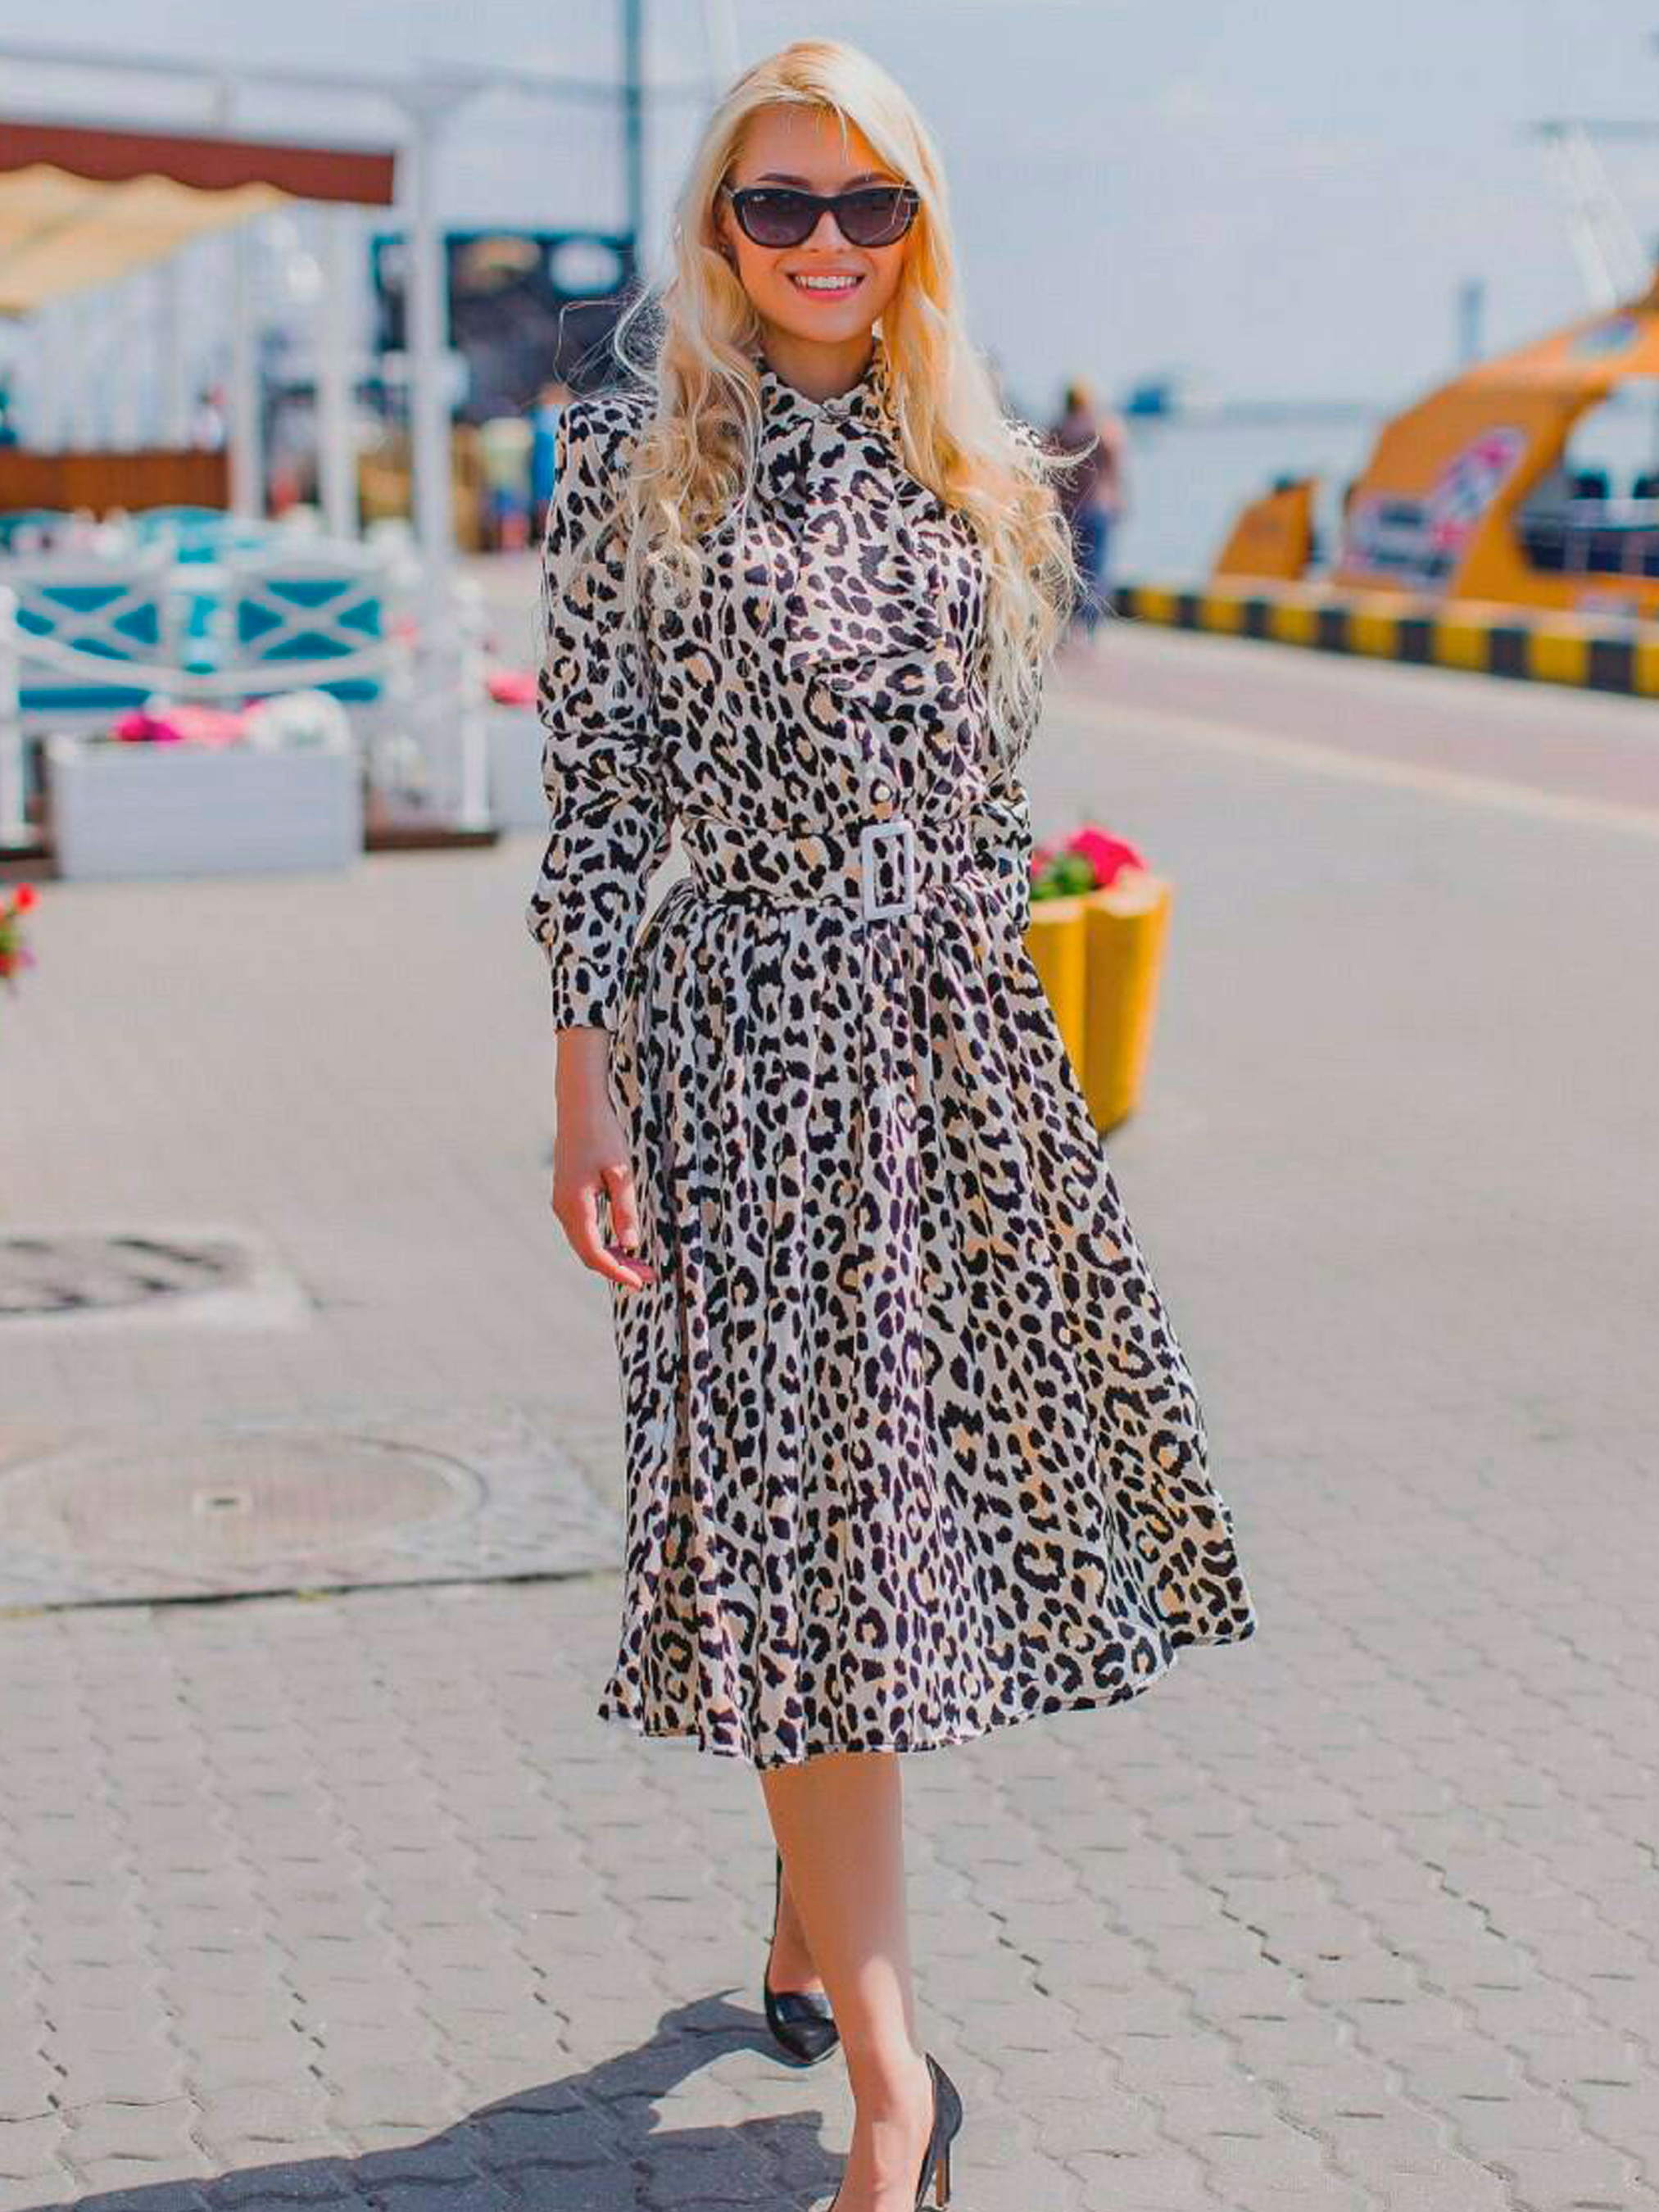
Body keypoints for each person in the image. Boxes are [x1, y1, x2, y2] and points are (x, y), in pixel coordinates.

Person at [524, 39, 1258, 2212]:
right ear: (718, 227)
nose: (826, 241)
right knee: (799, 1555)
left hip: (948, 1049)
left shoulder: (987, 470)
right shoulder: (629, 458)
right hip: (740, 1054)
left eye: (870, 204)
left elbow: (987, 791)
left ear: (919, 225)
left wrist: (1039, 1004)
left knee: (877, 1540)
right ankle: (892, 2087)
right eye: (780, 202)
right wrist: (580, 1087)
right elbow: (599, 792)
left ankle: (802, 1924)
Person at [1048, 378, 1130, 642]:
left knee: (1068, 569)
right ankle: (1088, 628)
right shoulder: (1105, 429)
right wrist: (1120, 501)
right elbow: (1115, 470)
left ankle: (1069, 624)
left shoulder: (1058, 429)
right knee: (1096, 570)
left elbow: (1048, 472)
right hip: (1097, 508)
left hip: (1067, 510)